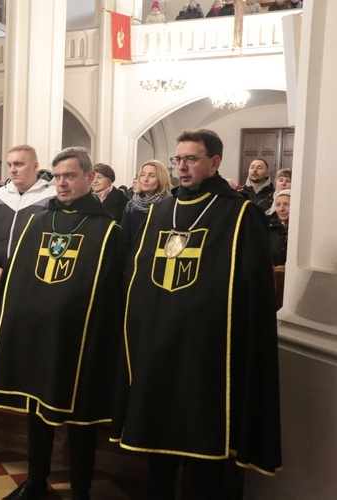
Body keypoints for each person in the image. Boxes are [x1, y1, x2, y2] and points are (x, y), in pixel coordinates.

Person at [111, 129, 282, 498]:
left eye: (191, 159)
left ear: (214, 162)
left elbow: (251, 292)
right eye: (178, 160)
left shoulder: (240, 215)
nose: (182, 167)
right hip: (158, 346)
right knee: (157, 437)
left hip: (207, 351)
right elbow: (139, 278)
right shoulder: (160, 210)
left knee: (206, 439)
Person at [0, 146, 124, 500]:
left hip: (80, 341)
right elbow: (19, 280)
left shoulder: (108, 230)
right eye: (57, 176)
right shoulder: (38, 223)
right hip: (38, 335)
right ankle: (35, 480)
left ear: (89, 177)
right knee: (36, 408)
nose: (61, 183)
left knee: (80, 418)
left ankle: (80, 491)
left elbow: (110, 295)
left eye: (70, 176)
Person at [0, 145, 56, 278]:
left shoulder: (51, 197)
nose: (12, 170)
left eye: (18, 164)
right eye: (10, 165)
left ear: (35, 167)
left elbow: (55, 240)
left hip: (34, 278)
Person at [120, 159, 172, 249]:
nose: (145, 179)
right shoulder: (132, 205)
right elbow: (124, 240)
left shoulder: (169, 205)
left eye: (152, 176)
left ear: (161, 179)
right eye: (143, 175)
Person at [269, 189, 290, 267]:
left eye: (286, 204)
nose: (281, 209)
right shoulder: (268, 227)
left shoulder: (301, 229)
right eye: (278, 205)